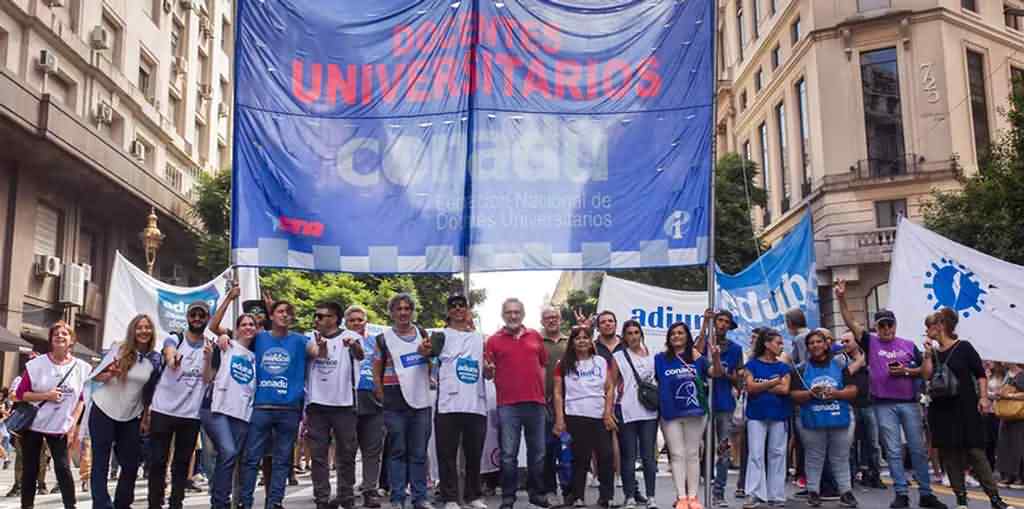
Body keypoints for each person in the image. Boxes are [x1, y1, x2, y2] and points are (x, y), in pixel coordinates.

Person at [834, 279, 947, 509]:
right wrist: (841, 298)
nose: (886, 329)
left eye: (889, 325)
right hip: (883, 404)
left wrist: (912, 366)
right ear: (876, 327)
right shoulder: (871, 341)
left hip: (909, 402)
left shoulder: (908, 344)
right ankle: (901, 493)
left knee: (917, 448)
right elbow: (850, 321)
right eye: (882, 325)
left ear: (895, 325)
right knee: (894, 450)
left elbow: (925, 374)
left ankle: (926, 493)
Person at [239, 299, 321, 509]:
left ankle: (274, 502)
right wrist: (222, 336)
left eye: (289, 312)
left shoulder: (301, 341)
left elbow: (319, 353)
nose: (285, 315)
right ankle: (245, 502)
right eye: (281, 311)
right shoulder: (259, 338)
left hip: (289, 410)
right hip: (260, 407)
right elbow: (234, 340)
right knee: (251, 459)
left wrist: (323, 344)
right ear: (272, 316)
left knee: (282, 460)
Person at [924, 308, 1009, 509]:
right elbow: (926, 376)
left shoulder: (964, 347)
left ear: (941, 325)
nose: (927, 330)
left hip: (966, 408)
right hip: (941, 410)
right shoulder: (933, 352)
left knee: (976, 454)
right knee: (951, 456)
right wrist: (927, 354)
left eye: (930, 326)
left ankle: (995, 499)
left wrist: (983, 398)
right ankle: (961, 501)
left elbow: (980, 374)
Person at [419, 294, 489, 509]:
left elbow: (487, 368)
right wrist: (423, 352)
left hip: (476, 404)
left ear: (468, 310)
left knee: (474, 454)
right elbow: (425, 355)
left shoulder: (481, 338)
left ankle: (473, 495)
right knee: (447, 455)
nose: (458, 309)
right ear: (448, 311)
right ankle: (450, 498)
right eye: (454, 306)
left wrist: (489, 370)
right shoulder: (440, 335)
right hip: (448, 404)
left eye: (462, 306)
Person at [88, 314, 162, 509]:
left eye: (147, 327)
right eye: (139, 327)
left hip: (130, 415)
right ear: (132, 330)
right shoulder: (119, 349)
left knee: (130, 463)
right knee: (101, 463)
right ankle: (102, 505)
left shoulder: (155, 358)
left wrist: (146, 416)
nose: (143, 331)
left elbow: (150, 391)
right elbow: (96, 377)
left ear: (152, 332)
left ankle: (122, 503)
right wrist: (111, 372)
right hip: (103, 410)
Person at [16, 320, 91, 509]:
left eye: (65, 333)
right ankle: (27, 505)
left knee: (63, 468)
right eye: (56, 333)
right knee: (30, 469)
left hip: (61, 426)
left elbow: (82, 398)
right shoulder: (36, 364)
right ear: (51, 339)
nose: (60, 336)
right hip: (34, 424)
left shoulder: (82, 368)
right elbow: (20, 394)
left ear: (72, 340)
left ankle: (70, 505)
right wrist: (46, 396)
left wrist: (73, 424)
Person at [483, 298, 550, 509]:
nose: (513, 316)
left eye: (517, 312)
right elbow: (487, 373)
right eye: (509, 312)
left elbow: (543, 365)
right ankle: (508, 497)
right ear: (503, 315)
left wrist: (542, 392)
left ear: (523, 314)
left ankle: (536, 494)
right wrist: (488, 371)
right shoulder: (493, 340)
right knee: (508, 455)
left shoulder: (535, 336)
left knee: (538, 453)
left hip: (536, 403)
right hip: (508, 405)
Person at [147, 301, 211, 509]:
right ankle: (155, 503)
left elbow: (209, 377)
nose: (197, 319)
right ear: (188, 317)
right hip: (162, 411)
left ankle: (176, 503)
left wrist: (210, 358)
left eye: (202, 316)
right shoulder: (176, 337)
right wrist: (172, 358)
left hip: (190, 415)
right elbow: (169, 349)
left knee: (182, 465)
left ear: (207, 319)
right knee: (157, 461)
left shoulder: (210, 346)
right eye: (194, 315)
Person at [373, 293, 434, 509]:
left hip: (419, 398)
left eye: (407, 308)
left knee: (419, 452)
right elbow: (377, 367)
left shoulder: (423, 334)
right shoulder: (383, 338)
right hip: (393, 398)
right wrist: (379, 392)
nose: (403, 313)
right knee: (397, 451)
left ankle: (420, 498)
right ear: (391, 313)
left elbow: (430, 366)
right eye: (398, 309)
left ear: (412, 311)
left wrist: (427, 355)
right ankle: (397, 497)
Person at [789, 330, 859, 508]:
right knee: (814, 455)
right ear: (807, 347)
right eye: (811, 343)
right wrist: (810, 394)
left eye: (818, 342)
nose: (815, 345)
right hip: (812, 418)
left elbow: (853, 390)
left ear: (826, 344)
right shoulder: (801, 369)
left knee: (841, 456)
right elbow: (794, 395)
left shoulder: (840, 365)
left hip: (839, 416)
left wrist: (836, 393)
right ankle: (813, 491)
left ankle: (846, 492)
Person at [657, 321, 722, 509]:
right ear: (668, 338)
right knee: (677, 454)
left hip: (695, 412)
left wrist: (716, 358)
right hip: (670, 413)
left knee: (693, 454)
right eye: (673, 334)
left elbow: (715, 373)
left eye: (680, 333)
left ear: (687, 336)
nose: (676, 336)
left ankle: (693, 497)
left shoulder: (697, 357)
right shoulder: (660, 359)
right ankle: (681, 497)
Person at [305, 301, 364, 509]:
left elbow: (361, 355)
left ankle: (345, 498)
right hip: (317, 405)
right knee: (319, 456)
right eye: (316, 316)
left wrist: (354, 346)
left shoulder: (351, 336)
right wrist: (320, 348)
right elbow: (314, 352)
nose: (317, 319)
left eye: (322, 316)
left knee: (346, 454)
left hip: (344, 404)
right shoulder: (310, 336)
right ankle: (322, 499)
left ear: (334, 318)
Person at [553, 326, 618, 508]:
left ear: (591, 341)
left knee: (606, 455)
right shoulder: (563, 363)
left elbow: (610, 388)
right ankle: (578, 497)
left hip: (599, 415)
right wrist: (560, 419)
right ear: (572, 342)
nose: (582, 341)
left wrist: (608, 412)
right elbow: (558, 392)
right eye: (577, 338)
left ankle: (606, 497)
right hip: (575, 415)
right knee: (580, 458)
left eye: (585, 337)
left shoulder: (601, 361)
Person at [202, 313, 259, 509]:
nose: (248, 327)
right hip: (218, 409)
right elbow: (214, 325)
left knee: (230, 458)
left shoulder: (256, 356)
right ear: (236, 328)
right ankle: (220, 502)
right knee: (228, 452)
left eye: (252, 324)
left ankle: (228, 500)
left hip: (242, 413)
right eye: (244, 324)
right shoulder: (227, 345)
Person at [696, 309, 743, 508]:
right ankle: (695, 491)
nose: (722, 324)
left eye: (726, 321)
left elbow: (739, 380)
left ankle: (719, 492)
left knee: (723, 449)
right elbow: (694, 353)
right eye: (719, 320)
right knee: (700, 448)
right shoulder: (705, 344)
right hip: (702, 403)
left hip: (724, 404)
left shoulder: (735, 349)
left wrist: (725, 373)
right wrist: (705, 324)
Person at [742, 329, 791, 509]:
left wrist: (760, 386)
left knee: (777, 454)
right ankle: (754, 493)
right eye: (778, 343)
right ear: (767, 344)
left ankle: (776, 494)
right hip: (756, 414)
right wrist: (772, 383)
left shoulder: (783, 367)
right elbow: (750, 387)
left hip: (779, 413)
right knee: (755, 453)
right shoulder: (752, 364)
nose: (781, 346)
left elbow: (785, 390)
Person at [614, 320, 658, 509]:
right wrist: (609, 410)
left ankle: (651, 496)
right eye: (629, 333)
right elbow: (610, 385)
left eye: (636, 332)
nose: (633, 336)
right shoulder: (618, 357)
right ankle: (630, 496)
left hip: (649, 412)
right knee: (629, 457)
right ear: (624, 337)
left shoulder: (653, 356)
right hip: (627, 410)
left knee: (649, 456)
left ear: (641, 334)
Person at [347, 304, 386, 508]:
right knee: (348, 450)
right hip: (347, 401)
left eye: (359, 320)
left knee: (372, 450)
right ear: (346, 323)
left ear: (366, 321)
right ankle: (346, 490)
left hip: (374, 400)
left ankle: (370, 490)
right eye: (352, 320)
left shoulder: (377, 341)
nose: (356, 323)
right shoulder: (340, 340)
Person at [540, 306, 569, 506]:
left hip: (569, 404)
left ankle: (569, 491)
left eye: (555, 317)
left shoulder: (571, 342)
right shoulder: (535, 342)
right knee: (547, 450)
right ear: (542, 321)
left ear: (560, 320)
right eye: (548, 318)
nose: (552, 320)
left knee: (567, 450)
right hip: (542, 404)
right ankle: (550, 490)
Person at [997, 363, 1024, 487]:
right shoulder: (1007, 374)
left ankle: (1019, 477)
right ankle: (1007, 475)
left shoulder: (1021, 374)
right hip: (1006, 413)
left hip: (1019, 415)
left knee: (1018, 445)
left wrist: (1009, 395)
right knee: (1005, 445)